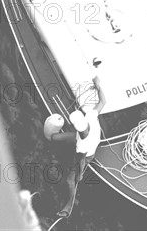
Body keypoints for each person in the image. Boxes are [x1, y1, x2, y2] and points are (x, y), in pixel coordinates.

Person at [45, 76, 106, 218]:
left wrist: (80, 175)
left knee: (69, 180)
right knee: (54, 137)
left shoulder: (81, 145)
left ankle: (69, 204)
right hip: (85, 140)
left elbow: (81, 161)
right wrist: (98, 85)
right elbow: (103, 101)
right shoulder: (90, 116)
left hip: (87, 153)